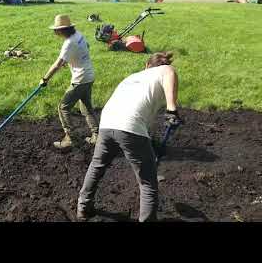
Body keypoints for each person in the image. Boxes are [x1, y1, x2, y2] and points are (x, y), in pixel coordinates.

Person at [77, 52, 182, 222]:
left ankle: (83, 207)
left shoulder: (133, 77)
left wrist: (149, 143)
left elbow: (142, 114)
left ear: (147, 65)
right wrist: (172, 109)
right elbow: (170, 72)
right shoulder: (165, 70)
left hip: (107, 122)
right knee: (148, 182)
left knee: (97, 166)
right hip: (129, 126)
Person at [40, 14, 98, 149]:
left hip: (80, 79)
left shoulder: (68, 43)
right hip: (89, 76)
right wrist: (72, 59)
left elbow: (57, 64)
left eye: (56, 30)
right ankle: (97, 135)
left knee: (63, 107)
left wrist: (45, 79)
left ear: (61, 30)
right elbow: (86, 47)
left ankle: (70, 139)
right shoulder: (79, 35)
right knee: (86, 108)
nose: (55, 32)